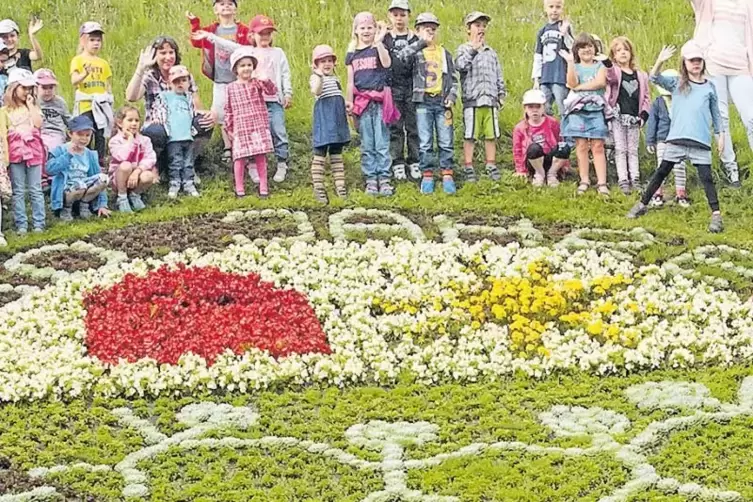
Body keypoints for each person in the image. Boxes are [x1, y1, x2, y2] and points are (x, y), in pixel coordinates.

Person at [627, 42, 725, 233]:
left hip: (700, 141)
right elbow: (654, 77)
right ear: (685, 63)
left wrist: (720, 135)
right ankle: (641, 204)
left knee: (706, 178)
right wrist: (659, 61)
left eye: (698, 60)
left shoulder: (710, 87)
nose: (695, 64)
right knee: (662, 171)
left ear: (703, 62)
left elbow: (717, 114)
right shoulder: (677, 83)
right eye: (691, 61)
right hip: (677, 138)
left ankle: (716, 215)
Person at [194, 15, 293, 183]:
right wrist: (209, 36)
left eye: (268, 33)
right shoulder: (248, 51)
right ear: (252, 35)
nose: (265, 37)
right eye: (261, 33)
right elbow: (229, 45)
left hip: (274, 99)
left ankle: (282, 162)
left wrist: (288, 92)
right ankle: (254, 164)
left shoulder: (278, 52)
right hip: (255, 102)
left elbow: (285, 73)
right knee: (255, 133)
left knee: (278, 130)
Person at [689, 0, 753, 187]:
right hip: (715, 63)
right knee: (721, 117)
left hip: (741, 65)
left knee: (750, 117)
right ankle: (731, 168)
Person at [394, 12, 458, 195]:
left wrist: (451, 97)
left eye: (433, 29)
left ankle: (447, 174)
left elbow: (453, 79)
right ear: (418, 31)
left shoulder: (444, 53)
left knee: (446, 140)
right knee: (425, 141)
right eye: (425, 29)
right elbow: (401, 57)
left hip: (442, 101)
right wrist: (420, 42)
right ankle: (427, 174)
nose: (430, 32)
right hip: (423, 102)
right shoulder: (416, 52)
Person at [124, 36, 214, 163]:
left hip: (183, 123)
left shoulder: (184, 75)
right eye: (163, 53)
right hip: (158, 124)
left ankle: (189, 162)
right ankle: (159, 165)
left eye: (171, 52)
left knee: (205, 122)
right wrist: (140, 68)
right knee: (155, 132)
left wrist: (210, 115)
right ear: (155, 55)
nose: (168, 57)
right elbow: (131, 97)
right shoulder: (150, 76)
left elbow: (196, 104)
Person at [187, 0, 250, 165]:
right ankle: (227, 147)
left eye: (230, 3)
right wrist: (195, 23)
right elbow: (196, 41)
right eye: (221, 4)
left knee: (241, 115)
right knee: (221, 115)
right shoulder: (211, 30)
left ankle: (243, 146)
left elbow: (246, 49)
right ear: (216, 10)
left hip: (239, 80)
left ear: (236, 9)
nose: (226, 6)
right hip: (220, 80)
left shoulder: (243, 30)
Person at [345, 12, 398, 196]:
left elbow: (387, 62)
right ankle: (370, 179)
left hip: (381, 101)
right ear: (356, 30)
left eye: (370, 27)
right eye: (362, 27)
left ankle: (384, 178)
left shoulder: (378, 47)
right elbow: (350, 81)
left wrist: (379, 41)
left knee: (382, 141)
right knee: (367, 143)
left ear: (375, 29)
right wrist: (349, 102)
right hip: (362, 103)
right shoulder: (352, 54)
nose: (366, 31)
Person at [455, 11, 506, 183]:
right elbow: (460, 66)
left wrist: (501, 93)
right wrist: (473, 50)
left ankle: (491, 164)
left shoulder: (491, 52)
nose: (481, 29)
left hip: (490, 100)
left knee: (491, 134)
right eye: (477, 25)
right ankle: (468, 165)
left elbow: (498, 73)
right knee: (470, 135)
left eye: (483, 26)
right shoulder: (463, 49)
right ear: (468, 29)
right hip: (473, 101)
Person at [560, 32, 610, 196]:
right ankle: (584, 180)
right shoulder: (574, 65)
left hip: (596, 110)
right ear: (576, 51)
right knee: (581, 146)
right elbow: (571, 82)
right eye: (581, 47)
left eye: (589, 46)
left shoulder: (600, 65)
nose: (586, 50)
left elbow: (600, 82)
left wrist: (580, 88)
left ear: (594, 48)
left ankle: (602, 183)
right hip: (577, 110)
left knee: (598, 145)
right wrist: (569, 63)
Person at [224, 47, 276, 198]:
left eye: (249, 65)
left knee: (260, 155)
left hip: (257, 125)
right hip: (241, 127)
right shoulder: (230, 88)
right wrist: (229, 128)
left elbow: (271, 91)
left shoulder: (257, 83)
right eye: (242, 65)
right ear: (235, 69)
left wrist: (265, 79)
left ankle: (263, 186)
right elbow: (228, 109)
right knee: (239, 157)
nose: (246, 68)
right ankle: (239, 188)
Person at [0, 69, 45, 234]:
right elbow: (3, 135)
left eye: (29, 88)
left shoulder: (32, 107)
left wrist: (31, 105)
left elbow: (38, 124)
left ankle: (39, 222)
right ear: (13, 88)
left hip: (34, 152)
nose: (27, 91)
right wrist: (5, 158)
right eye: (23, 88)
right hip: (15, 153)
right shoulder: (4, 111)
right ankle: (22, 224)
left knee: (35, 188)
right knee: (18, 190)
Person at [604, 36, 650, 194]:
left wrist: (643, 115)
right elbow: (610, 76)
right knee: (620, 148)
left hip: (634, 118)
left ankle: (635, 177)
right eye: (618, 51)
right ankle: (623, 179)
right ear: (614, 55)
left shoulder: (641, 75)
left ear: (631, 53)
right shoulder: (615, 72)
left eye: (626, 50)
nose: (623, 53)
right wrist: (607, 63)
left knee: (633, 149)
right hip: (618, 116)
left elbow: (646, 97)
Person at [47, 115, 109, 221]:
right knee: (79, 186)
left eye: (87, 135)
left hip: (84, 186)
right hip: (67, 187)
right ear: (70, 133)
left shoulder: (90, 154)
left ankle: (84, 205)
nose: (84, 139)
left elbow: (95, 174)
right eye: (80, 134)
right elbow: (49, 169)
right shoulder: (60, 150)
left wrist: (102, 204)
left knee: (103, 179)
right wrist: (67, 156)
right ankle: (66, 208)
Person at [383, 0, 419, 181]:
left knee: (413, 126)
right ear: (390, 16)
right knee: (395, 127)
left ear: (408, 16)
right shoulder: (385, 38)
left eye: (402, 15)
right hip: (393, 87)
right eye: (395, 14)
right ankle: (397, 162)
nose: (399, 18)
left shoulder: (415, 38)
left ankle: (415, 160)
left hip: (412, 87)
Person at [151, 65, 200, 199]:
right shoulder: (165, 96)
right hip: (173, 137)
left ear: (189, 82)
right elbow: (159, 109)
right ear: (169, 83)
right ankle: (175, 183)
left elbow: (195, 112)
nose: (180, 84)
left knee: (188, 162)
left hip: (188, 136)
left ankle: (189, 183)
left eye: (183, 81)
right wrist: (157, 119)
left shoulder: (189, 98)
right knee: (175, 161)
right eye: (176, 81)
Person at [310, 44, 350, 203]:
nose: (327, 64)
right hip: (324, 118)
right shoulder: (316, 77)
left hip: (337, 118)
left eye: (329, 60)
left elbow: (339, 95)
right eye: (322, 61)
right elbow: (316, 91)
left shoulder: (335, 78)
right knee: (320, 152)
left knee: (337, 153)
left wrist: (346, 105)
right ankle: (318, 187)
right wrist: (318, 76)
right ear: (316, 64)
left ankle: (340, 186)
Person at [70, 22, 113, 167]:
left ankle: (99, 162)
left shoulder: (103, 63)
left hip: (101, 104)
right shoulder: (78, 60)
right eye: (92, 39)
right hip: (86, 104)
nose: (96, 43)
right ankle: (84, 161)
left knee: (100, 134)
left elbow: (107, 84)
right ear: (83, 40)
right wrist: (85, 74)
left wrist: (109, 98)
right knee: (86, 133)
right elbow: (74, 80)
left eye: (98, 40)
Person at [645, 69, 690, 207]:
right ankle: (658, 193)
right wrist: (650, 140)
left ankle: (681, 193)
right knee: (661, 167)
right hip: (662, 140)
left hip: (679, 140)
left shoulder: (683, 102)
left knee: (680, 167)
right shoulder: (658, 102)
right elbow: (652, 122)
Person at [512, 89, 571, 186]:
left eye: (538, 106)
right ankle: (539, 174)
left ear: (543, 107)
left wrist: (565, 164)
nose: (534, 110)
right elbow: (517, 150)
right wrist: (520, 169)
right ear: (525, 108)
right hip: (533, 161)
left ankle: (552, 173)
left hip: (550, 159)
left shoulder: (552, 123)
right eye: (530, 107)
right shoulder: (520, 128)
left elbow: (559, 140)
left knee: (563, 146)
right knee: (534, 148)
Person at [108, 106, 158, 212]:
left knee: (148, 175)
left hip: (136, 177)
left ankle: (134, 195)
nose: (134, 123)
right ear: (120, 123)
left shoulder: (145, 140)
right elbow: (122, 157)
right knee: (126, 165)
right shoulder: (115, 141)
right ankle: (122, 197)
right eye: (130, 120)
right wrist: (130, 140)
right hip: (119, 179)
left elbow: (150, 158)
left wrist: (137, 172)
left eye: (137, 120)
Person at [531, 0, 574, 116]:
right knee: (544, 108)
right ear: (546, 8)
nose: (554, 10)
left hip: (560, 76)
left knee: (563, 107)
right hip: (545, 77)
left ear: (562, 8)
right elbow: (538, 56)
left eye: (558, 7)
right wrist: (536, 78)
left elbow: (572, 47)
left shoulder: (565, 26)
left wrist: (565, 33)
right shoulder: (542, 31)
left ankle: (566, 133)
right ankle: (548, 132)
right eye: (551, 7)